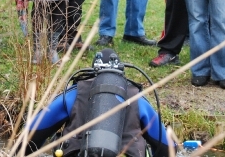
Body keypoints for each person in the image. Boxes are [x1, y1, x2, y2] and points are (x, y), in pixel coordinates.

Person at [23, 48, 170, 157]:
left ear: (93, 72)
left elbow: (33, 132)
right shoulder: (137, 97)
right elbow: (167, 147)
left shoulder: (75, 92)